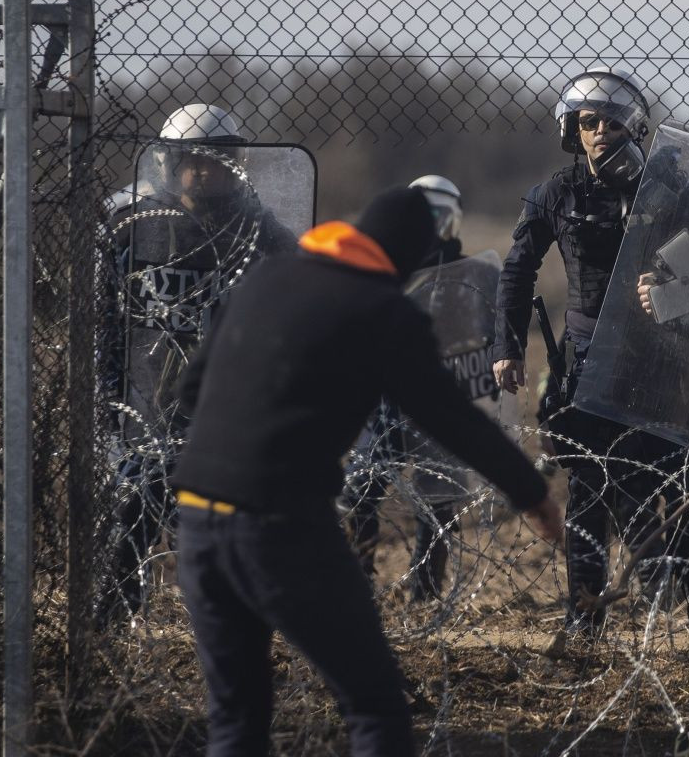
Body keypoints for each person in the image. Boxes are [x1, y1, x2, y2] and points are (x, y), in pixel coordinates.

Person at [169, 186, 564, 757]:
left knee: (236, 716)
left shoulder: (267, 279)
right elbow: (450, 417)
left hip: (197, 519)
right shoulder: (383, 311)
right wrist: (531, 493)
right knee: (375, 706)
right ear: (405, 258)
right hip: (280, 526)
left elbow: (190, 390)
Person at [493, 67, 689, 652]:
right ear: (572, 130)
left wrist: (677, 291)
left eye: (612, 122)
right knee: (590, 493)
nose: (599, 131)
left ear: (635, 127)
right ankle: (584, 623)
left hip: (666, 361)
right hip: (588, 364)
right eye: (588, 122)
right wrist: (507, 346)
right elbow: (517, 271)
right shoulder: (557, 193)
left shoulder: (671, 189)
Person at [99, 103, 298, 623]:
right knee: (133, 511)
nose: (204, 172)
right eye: (193, 161)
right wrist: (107, 391)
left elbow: (299, 285)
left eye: (216, 160)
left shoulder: (258, 230)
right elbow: (105, 314)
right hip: (149, 399)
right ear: (169, 163)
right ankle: (114, 617)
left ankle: (221, 620)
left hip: (226, 404)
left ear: (237, 164)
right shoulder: (136, 225)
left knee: (214, 525)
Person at [340, 174, 492, 601]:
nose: (430, 227)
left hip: (441, 398)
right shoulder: (383, 269)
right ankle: (357, 579)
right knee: (359, 491)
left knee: (438, 500)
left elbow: (484, 334)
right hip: (384, 401)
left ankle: (425, 593)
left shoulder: (469, 275)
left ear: (453, 220)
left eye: (439, 217)